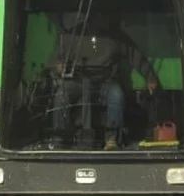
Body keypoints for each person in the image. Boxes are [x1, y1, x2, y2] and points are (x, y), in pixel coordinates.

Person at [49, 11, 159, 150]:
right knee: (61, 94)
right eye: (98, 16)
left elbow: (136, 56)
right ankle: (61, 138)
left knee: (116, 94)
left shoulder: (116, 37)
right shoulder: (72, 35)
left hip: (105, 81)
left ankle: (111, 138)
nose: (102, 19)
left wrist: (150, 78)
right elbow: (55, 59)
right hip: (77, 80)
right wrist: (58, 66)